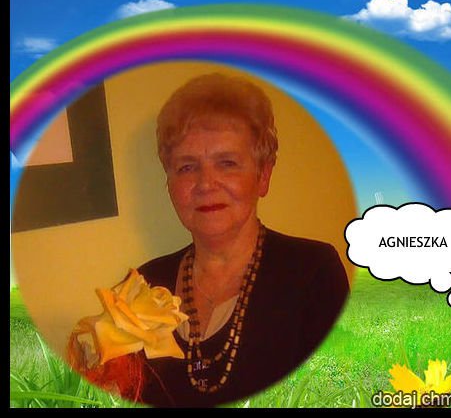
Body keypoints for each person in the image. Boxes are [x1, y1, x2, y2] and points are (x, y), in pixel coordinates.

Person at [133, 73, 350, 407]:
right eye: (187, 167)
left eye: (227, 163)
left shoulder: (311, 273)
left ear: (263, 176)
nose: (206, 183)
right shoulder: (144, 284)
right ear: (169, 182)